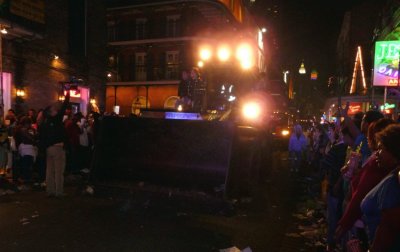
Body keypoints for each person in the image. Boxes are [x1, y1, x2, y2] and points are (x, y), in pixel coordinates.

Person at [335, 119, 396, 244]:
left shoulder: (389, 178)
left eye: (381, 148)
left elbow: (361, 192)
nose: (377, 153)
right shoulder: (383, 168)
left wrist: (345, 223)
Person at [360, 124, 400, 249]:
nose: (376, 154)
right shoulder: (390, 176)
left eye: (381, 149)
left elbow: (386, 228)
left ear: (394, 151)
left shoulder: (394, 183)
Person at [42, 89, 70, 197]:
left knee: (49, 170)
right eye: (54, 109)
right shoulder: (57, 119)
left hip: (49, 149)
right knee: (59, 171)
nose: (56, 110)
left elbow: (43, 136)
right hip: (58, 148)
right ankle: (59, 192)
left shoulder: (46, 123)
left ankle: (50, 191)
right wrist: (67, 95)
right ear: (51, 113)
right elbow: (63, 107)